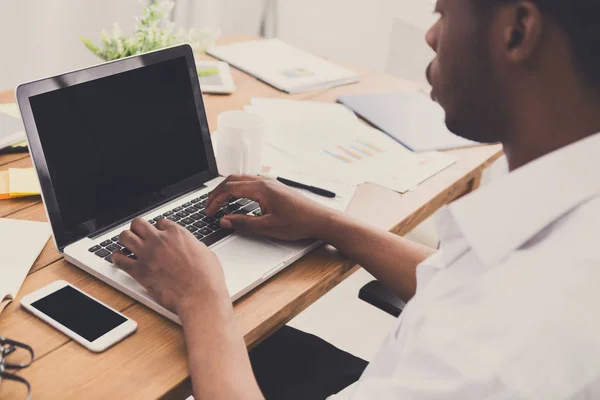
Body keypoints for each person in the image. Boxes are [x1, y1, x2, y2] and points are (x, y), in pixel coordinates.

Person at [112, 0, 600, 398]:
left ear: (517, 30)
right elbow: (458, 284)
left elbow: (491, 326)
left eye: (444, 14)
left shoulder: (509, 355)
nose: (431, 37)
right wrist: (329, 223)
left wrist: (201, 297)